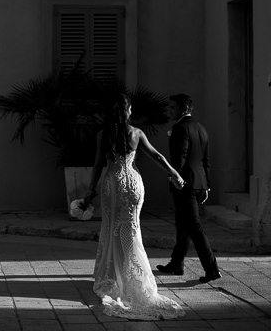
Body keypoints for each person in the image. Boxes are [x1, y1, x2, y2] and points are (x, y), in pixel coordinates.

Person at [81, 93, 186, 320]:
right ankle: (133, 277)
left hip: (112, 185)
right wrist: (174, 173)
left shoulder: (104, 134)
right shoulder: (136, 133)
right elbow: (156, 156)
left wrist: (90, 191)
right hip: (133, 186)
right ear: (128, 111)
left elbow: (99, 164)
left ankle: (115, 277)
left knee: (112, 229)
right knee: (131, 230)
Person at [155, 93, 222, 283]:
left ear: (183, 109)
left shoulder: (180, 128)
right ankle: (176, 263)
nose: (170, 111)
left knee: (194, 226)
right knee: (182, 224)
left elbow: (180, 157)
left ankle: (212, 269)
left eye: (173, 108)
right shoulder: (201, 129)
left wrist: (174, 177)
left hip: (185, 183)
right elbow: (206, 161)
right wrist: (207, 185)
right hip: (199, 183)